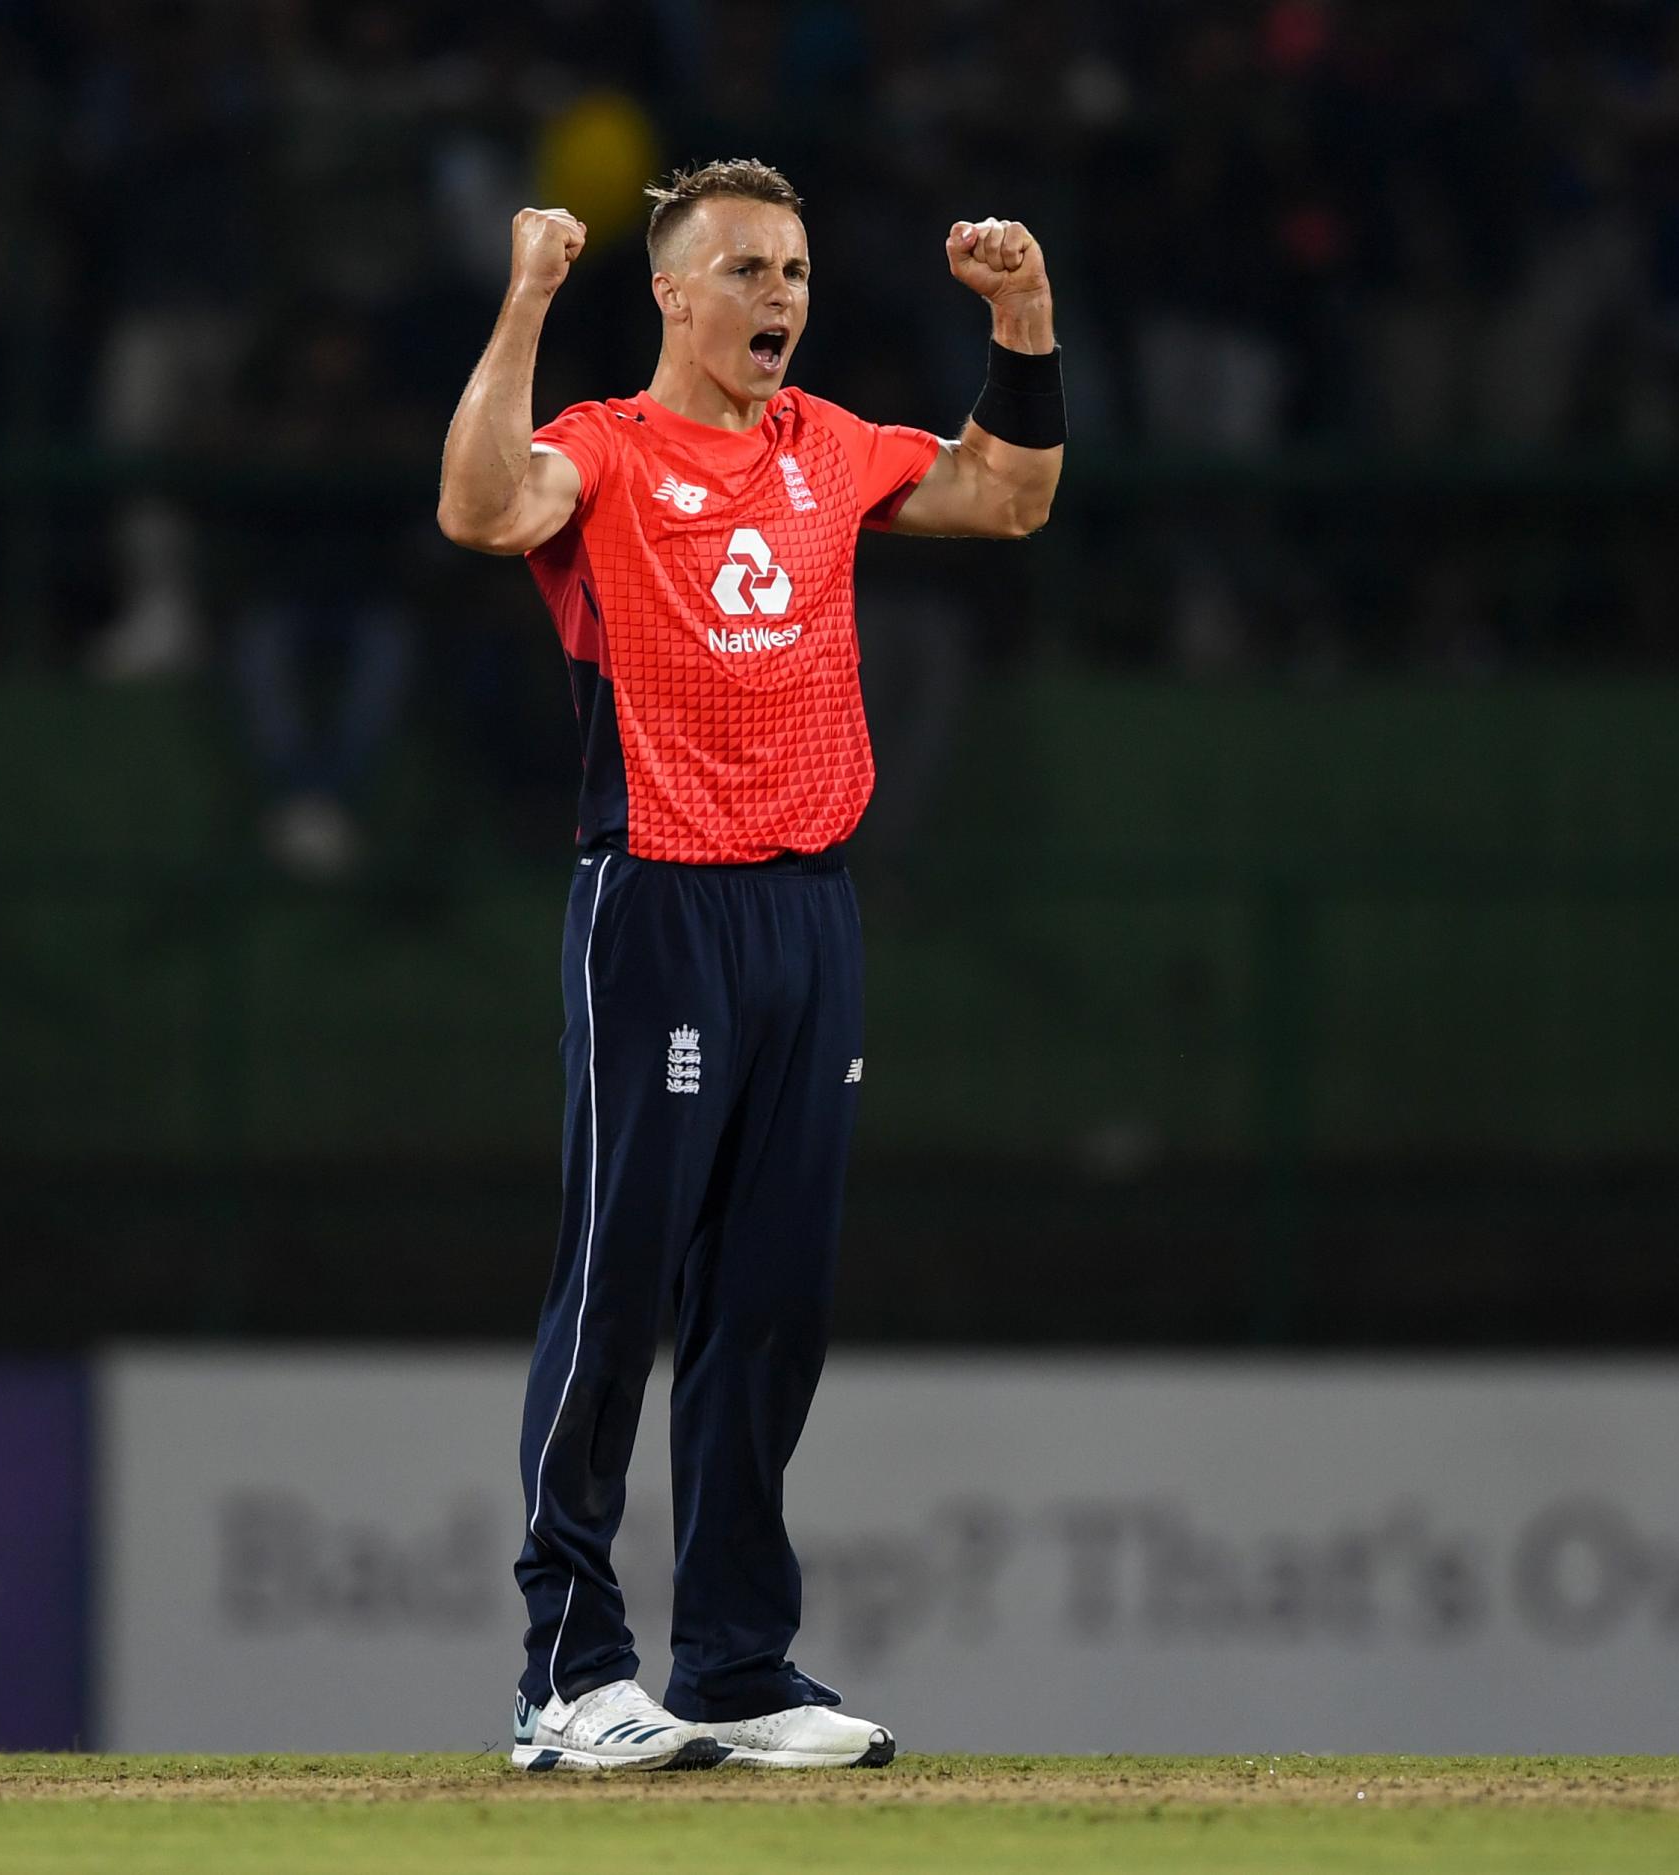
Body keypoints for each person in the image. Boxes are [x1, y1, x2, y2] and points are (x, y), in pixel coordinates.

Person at [436, 160, 1063, 1772]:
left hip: (808, 915)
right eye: (746, 271)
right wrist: (521, 300)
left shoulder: (827, 445)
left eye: (793, 270)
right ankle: (567, 1672)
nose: (780, 297)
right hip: (658, 906)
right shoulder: (604, 448)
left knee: (771, 1303)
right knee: (621, 1286)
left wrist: (1024, 323)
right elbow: (479, 507)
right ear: (673, 293)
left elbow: (1009, 494)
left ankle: (732, 1662)